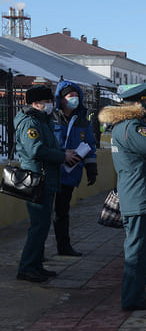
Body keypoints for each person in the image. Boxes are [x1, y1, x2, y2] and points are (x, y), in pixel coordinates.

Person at [98, 82, 146, 311]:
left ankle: (137, 294)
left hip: (140, 194)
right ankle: (132, 298)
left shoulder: (126, 126)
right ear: (138, 104)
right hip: (140, 195)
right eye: (145, 101)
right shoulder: (133, 126)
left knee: (141, 250)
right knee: (138, 251)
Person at [14, 85, 80, 282]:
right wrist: (62, 156)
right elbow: (36, 150)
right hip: (36, 179)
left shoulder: (42, 120)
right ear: (37, 103)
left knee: (42, 226)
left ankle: (35, 264)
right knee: (38, 225)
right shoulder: (29, 123)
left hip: (46, 178)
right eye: (48, 101)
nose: (51, 105)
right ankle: (26, 267)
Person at [52, 81, 97, 257]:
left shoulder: (82, 120)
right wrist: (63, 153)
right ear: (61, 99)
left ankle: (64, 246)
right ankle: (37, 251)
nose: (74, 99)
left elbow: (90, 145)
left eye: (77, 96)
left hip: (70, 172)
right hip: (51, 171)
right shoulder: (52, 117)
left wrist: (91, 168)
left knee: (63, 211)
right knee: (44, 214)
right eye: (70, 96)